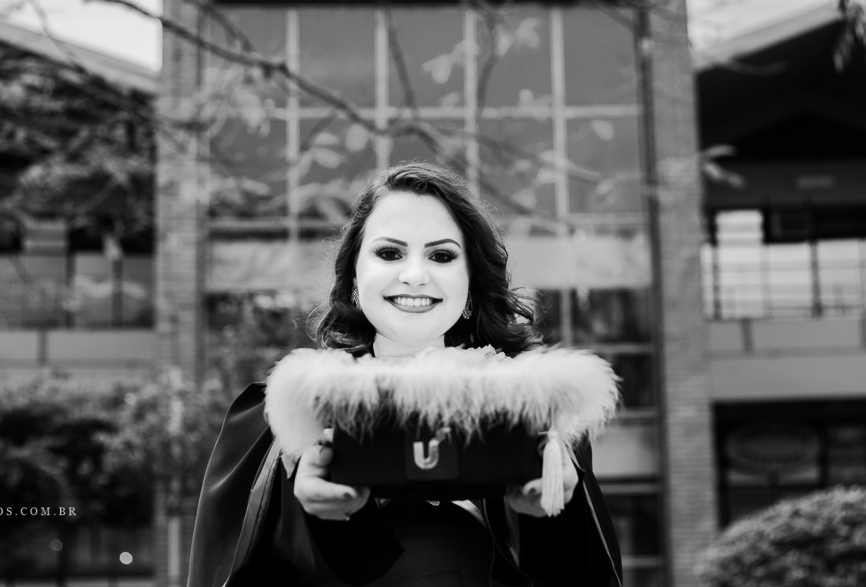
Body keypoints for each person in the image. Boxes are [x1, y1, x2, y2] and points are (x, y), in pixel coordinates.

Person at [186, 163, 624, 587]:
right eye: (390, 252)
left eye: (441, 255)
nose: (415, 275)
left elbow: (577, 573)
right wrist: (322, 510)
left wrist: (546, 513)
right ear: (355, 279)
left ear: (470, 284)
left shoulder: (537, 411)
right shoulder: (276, 417)